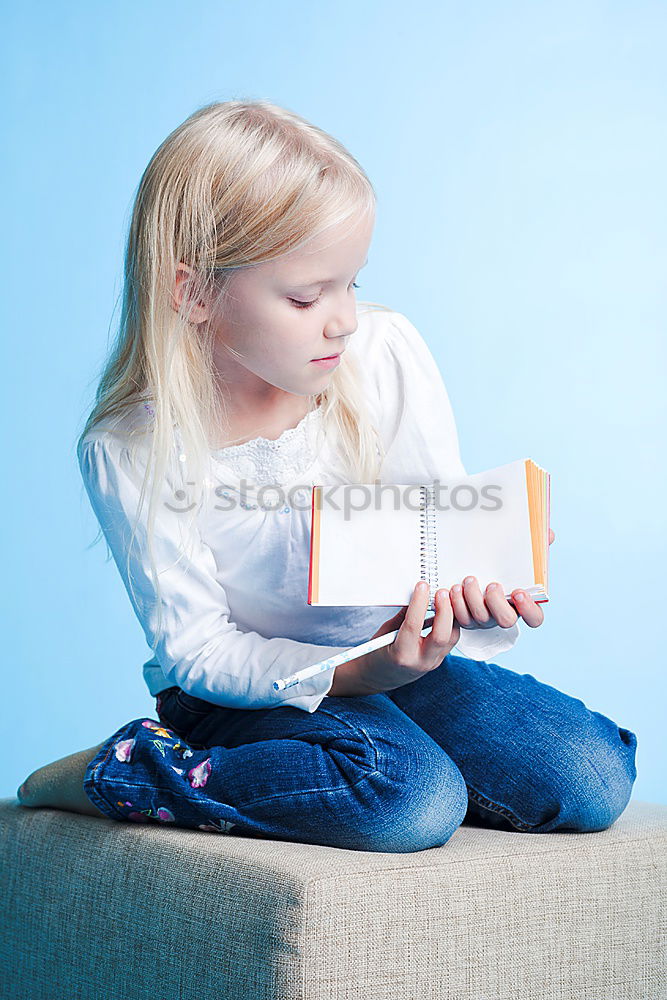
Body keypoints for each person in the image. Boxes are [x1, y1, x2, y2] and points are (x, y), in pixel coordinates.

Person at [17, 99, 637, 852]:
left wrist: (482, 574)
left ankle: (346, 762)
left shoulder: (380, 352)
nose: (342, 318)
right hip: (242, 688)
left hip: (392, 655)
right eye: (307, 296)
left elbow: (432, 523)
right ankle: (124, 771)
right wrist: (358, 676)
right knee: (408, 799)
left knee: (591, 777)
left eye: (352, 284)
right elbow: (203, 653)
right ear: (194, 294)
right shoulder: (133, 446)